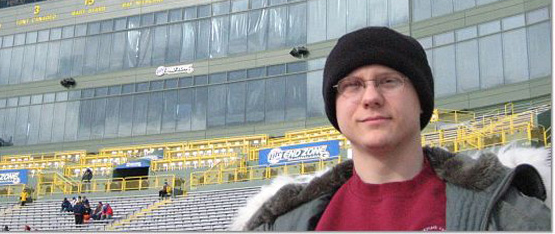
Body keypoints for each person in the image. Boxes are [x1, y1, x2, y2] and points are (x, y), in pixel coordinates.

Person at [232, 27, 551, 231]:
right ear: (336, 108)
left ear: (421, 99)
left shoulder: (509, 212)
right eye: (352, 85)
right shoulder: (283, 223)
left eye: (389, 81)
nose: (371, 97)